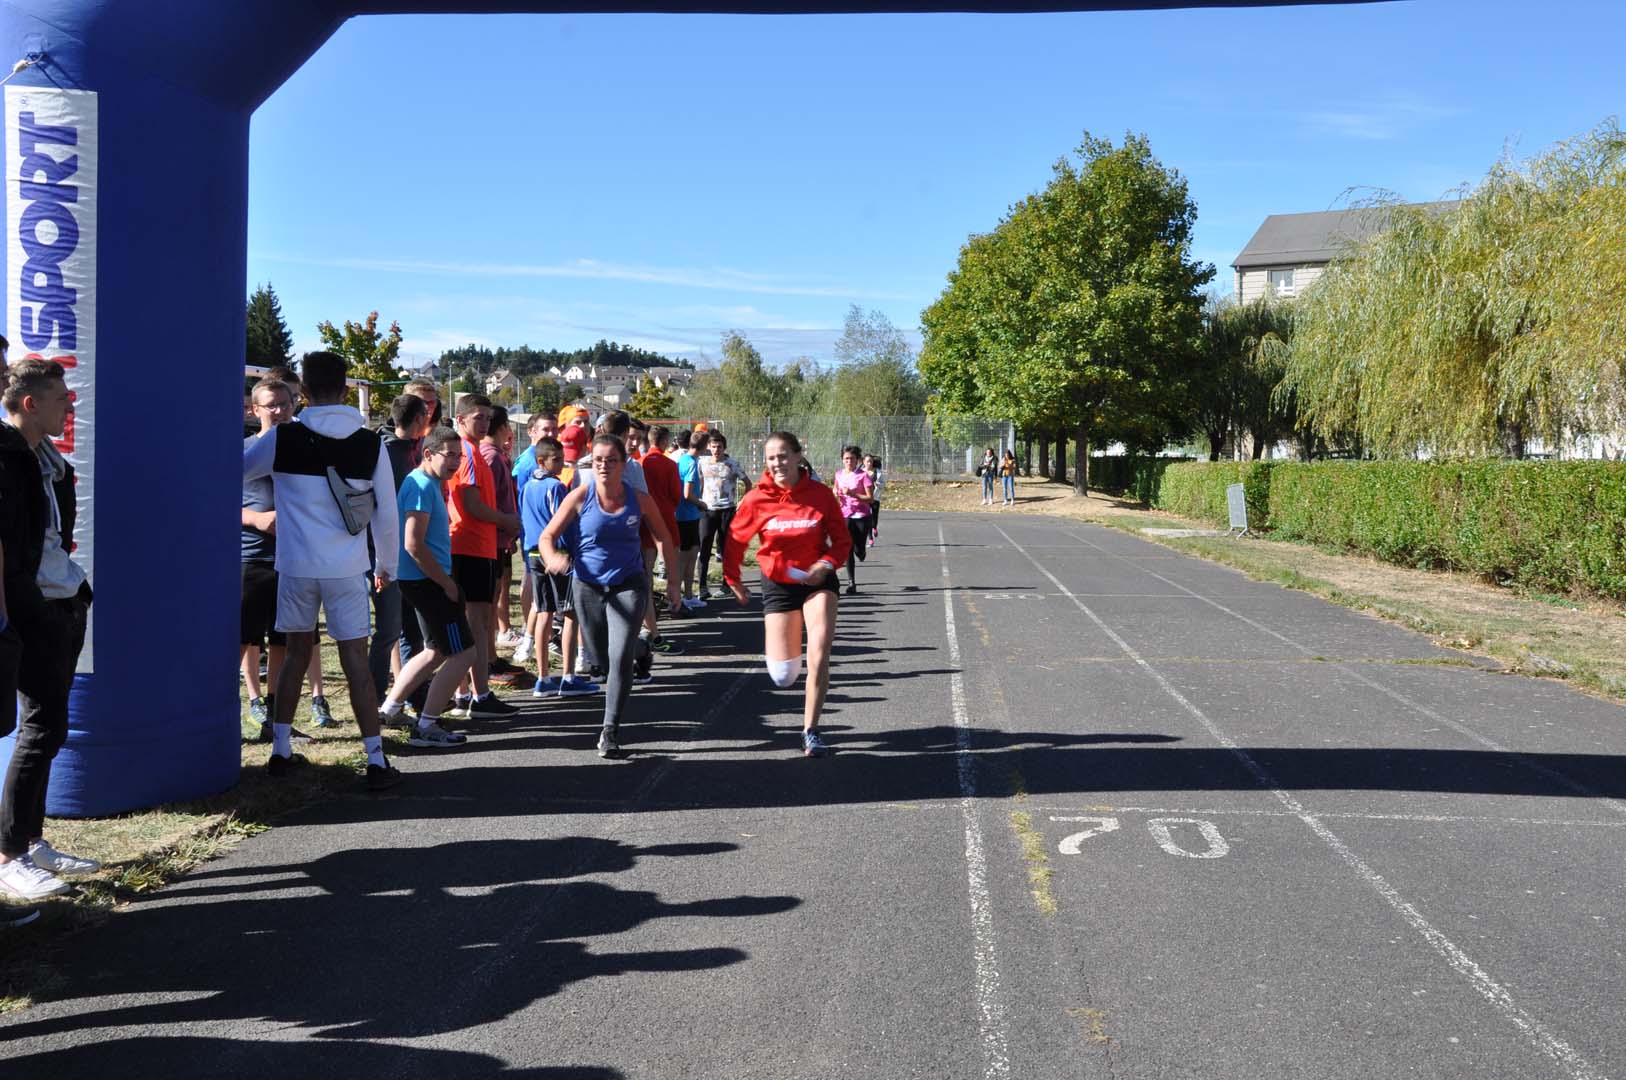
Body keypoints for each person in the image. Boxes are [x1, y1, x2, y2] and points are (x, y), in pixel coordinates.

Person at [242, 351, 402, 790]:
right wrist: (386, 566)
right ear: (348, 387)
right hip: (348, 568)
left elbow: (237, 470)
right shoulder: (371, 443)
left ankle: (280, 750)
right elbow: (388, 514)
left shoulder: (283, 437)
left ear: (304, 392)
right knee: (354, 660)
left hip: (294, 565)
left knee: (294, 655)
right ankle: (374, 758)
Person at [0, 358, 99, 899]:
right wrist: (27, 609)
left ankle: (32, 839)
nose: (69, 406)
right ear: (31, 403)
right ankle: (10, 854)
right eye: (61, 398)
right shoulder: (7, 457)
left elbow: (55, 534)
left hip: (64, 601)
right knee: (40, 729)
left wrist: (75, 593)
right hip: (33, 607)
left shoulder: (48, 461)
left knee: (52, 727)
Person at [540, 433, 681, 758]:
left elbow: (663, 537)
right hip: (587, 584)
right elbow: (547, 536)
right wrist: (552, 558)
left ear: (623, 463)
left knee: (617, 661)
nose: (603, 465)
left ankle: (610, 731)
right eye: (598, 460)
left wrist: (672, 583)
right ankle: (641, 647)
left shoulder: (639, 499)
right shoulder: (580, 496)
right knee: (601, 660)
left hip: (629, 583)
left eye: (611, 460)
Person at [722, 431, 851, 758]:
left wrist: (825, 565)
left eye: (783, 456)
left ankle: (811, 730)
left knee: (819, 651)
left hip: (818, 580)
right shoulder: (755, 499)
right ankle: (802, 706)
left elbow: (842, 541)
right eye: (771, 458)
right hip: (778, 583)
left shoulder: (820, 495)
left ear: (797, 456)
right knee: (782, 675)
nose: (777, 463)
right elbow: (736, 541)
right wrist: (733, 579)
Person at [377, 427, 474, 748]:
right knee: (463, 653)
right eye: (449, 455)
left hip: (422, 581)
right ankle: (427, 725)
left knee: (434, 651)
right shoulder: (420, 485)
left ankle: (390, 708)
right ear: (428, 454)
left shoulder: (425, 483)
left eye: (459, 456)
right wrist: (447, 584)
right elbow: (413, 544)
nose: (456, 462)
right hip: (426, 581)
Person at [240, 376, 316, 744]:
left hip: (296, 561)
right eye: (271, 404)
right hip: (252, 559)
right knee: (242, 639)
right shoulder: (243, 452)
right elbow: (214, 500)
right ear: (255, 410)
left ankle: (277, 721)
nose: (279, 410)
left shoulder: (305, 450)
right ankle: (227, 720)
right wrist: (256, 519)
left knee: (285, 643)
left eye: (285, 404)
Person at [446, 395, 522, 718]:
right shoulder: (465, 454)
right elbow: (472, 506)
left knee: (475, 622)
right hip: (469, 546)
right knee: (476, 623)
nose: (485, 424)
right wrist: (507, 521)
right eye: (478, 417)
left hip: (479, 546)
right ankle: (480, 695)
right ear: (460, 419)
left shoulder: (475, 451)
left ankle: (466, 693)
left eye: (488, 418)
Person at [518, 436, 596, 697]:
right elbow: (563, 522)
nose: (562, 464)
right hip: (557, 553)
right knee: (570, 613)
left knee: (543, 612)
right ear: (541, 461)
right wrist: (574, 551)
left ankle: (542, 678)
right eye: (557, 460)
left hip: (532, 553)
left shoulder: (527, 487)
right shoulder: (556, 487)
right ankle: (568, 676)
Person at [370, 393, 430, 708]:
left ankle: (413, 697)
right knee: (389, 629)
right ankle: (375, 700)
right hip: (387, 556)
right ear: (419, 419)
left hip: (409, 554)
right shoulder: (386, 454)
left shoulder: (414, 451)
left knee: (411, 629)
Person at [510, 411, 560, 663]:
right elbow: (520, 501)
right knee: (535, 587)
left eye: (554, 429)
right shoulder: (529, 463)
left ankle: (537, 635)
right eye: (545, 430)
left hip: (539, 538)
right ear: (531, 431)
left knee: (536, 587)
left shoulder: (543, 459)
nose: (550, 434)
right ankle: (532, 637)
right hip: (535, 537)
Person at [482, 407, 523, 657]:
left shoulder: (499, 455)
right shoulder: (491, 457)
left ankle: (491, 655)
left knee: (497, 591)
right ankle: (489, 656)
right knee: (488, 601)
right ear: (504, 426)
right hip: (492, 538)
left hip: (501, 537)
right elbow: (488, 501)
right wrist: (505, 523)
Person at [696, 431, 747, 600]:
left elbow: (748, 483)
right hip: (708, 511)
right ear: (708, 447)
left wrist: (741, 503)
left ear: (724, 447)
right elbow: (699, 483)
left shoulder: (731, 464)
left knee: (725, 550)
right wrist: (699, 501)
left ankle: (726, 585)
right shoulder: (702, 463)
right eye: (713, 446)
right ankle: (702, 587)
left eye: (719, 446)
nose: (716, 449)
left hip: (727, 511)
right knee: (704, 548)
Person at [832, 445, 874, 596]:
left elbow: (870, 499)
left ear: (857, 460)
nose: (848, 461)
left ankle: (861, 551)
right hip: (845, 515)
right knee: (847, 548)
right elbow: (835, 492)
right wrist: (836, 494)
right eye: (846, 459)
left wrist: (853, 494)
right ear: (842, 460)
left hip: (862, 516)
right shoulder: (838, 474)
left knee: (858, 549)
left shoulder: (863, 476)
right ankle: (851, 583)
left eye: (851, 459)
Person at [671, 429, 705, 607]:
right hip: (688, 515)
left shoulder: (682, 459)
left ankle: (688, 595)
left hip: (684, 515)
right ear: (704, 446)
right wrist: (701, 503)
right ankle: (685, 596)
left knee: (687, 557)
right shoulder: (690, 462)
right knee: (688, 557)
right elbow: (687, 493)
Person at [863, 453, 885, 546]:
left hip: (875, 498)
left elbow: (883, 484)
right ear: (864, 462)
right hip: (865, 498)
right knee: (867, 518)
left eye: (871, 461)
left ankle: (874, 527)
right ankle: (870, 539)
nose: (869, 463)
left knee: (874, 518)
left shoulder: (878, 472)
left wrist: (878, 484)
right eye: (867, 461)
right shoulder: (860, 473)